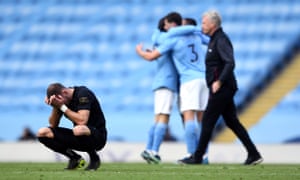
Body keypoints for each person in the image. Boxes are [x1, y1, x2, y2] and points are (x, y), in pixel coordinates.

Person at [178, 10, 263, 165]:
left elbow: (230, 62)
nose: (201, 25)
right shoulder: (213, 39)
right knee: (232, 122)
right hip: (224, 86)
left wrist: (219, 81)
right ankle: (254, 154)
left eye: (204, 22)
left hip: (223, 87)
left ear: (212, 24)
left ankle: (197, 157)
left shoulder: (221, 39)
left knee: (208, 121)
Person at [136, 12, 209, 164]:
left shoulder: (174, 38)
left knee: (185, 117)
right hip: (204, 79)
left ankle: (191, 154)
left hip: (188, 81)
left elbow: (153, 52)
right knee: (202, 120)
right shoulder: (197, 37)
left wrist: (140, 52)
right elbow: (209, 40)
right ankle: (204, 155)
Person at [37, 82, 107, 170]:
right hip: (79, 137)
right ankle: (74, 158)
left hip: (98, 137)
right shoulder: (61, 101)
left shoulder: (83, 94)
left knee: (79, 129)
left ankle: (94, 158)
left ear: (65, 92)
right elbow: (53, 124)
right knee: (43, 133)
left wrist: (62, 106)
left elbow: (82, 121)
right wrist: (55, 106)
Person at [140, 17, 179, 164]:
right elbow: (152, 56)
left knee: (157, 118)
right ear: (166, 24)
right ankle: (154, 151)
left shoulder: (158, 38)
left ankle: (148, 149)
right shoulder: (168, 39)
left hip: (159, 83)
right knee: (164, 118)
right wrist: (141, 52)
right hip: (167, 82)